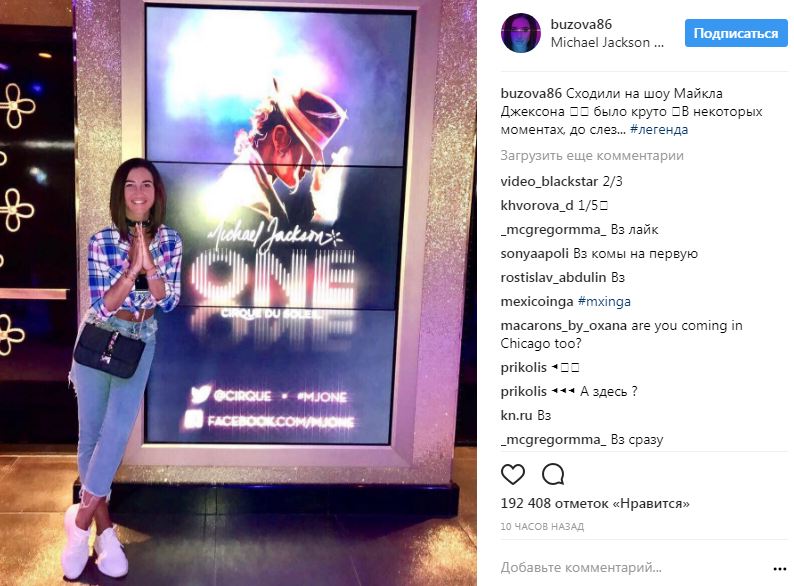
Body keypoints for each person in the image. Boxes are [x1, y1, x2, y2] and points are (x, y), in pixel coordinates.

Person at [61, 158, 182, 579]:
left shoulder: (170, 240)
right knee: (91, 436)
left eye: (146, 184)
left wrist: (150, 265)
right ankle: (105, 531)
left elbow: (168, 301)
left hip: (140, 338)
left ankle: (79, 524)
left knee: (115, 434)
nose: (138, 192)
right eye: (130, 184)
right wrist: (132, 270)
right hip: (98, 337)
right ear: (121, 192)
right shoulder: (101, 240)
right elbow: (105, 305)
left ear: (156, 193)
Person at [212, 79, 349, 228]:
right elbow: (279, 241)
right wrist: (324, 215)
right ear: (280, 138)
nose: (308, 167)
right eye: (307, 154)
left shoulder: (252, 179)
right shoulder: (247, 194)